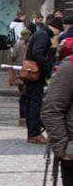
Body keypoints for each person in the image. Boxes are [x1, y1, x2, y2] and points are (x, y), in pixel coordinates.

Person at [26, 12, 65, 144]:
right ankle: (34, 133)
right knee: (36, 103)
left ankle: (32, 131)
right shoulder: (43, 36)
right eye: (58, 31)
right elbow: (38, 53)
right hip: (36, 73)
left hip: (32, 73)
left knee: (32, 102)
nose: (58, 34)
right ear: (55, 28)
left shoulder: (40, 34)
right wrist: (47, 67)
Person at [9, 26, 32, 126]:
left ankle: (22, 117)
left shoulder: (17, 45)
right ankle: (26, 117)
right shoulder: (30, 44)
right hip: (29, 71)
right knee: (26, 95)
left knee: (23, 95)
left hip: (19, 72)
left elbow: (13, 56)